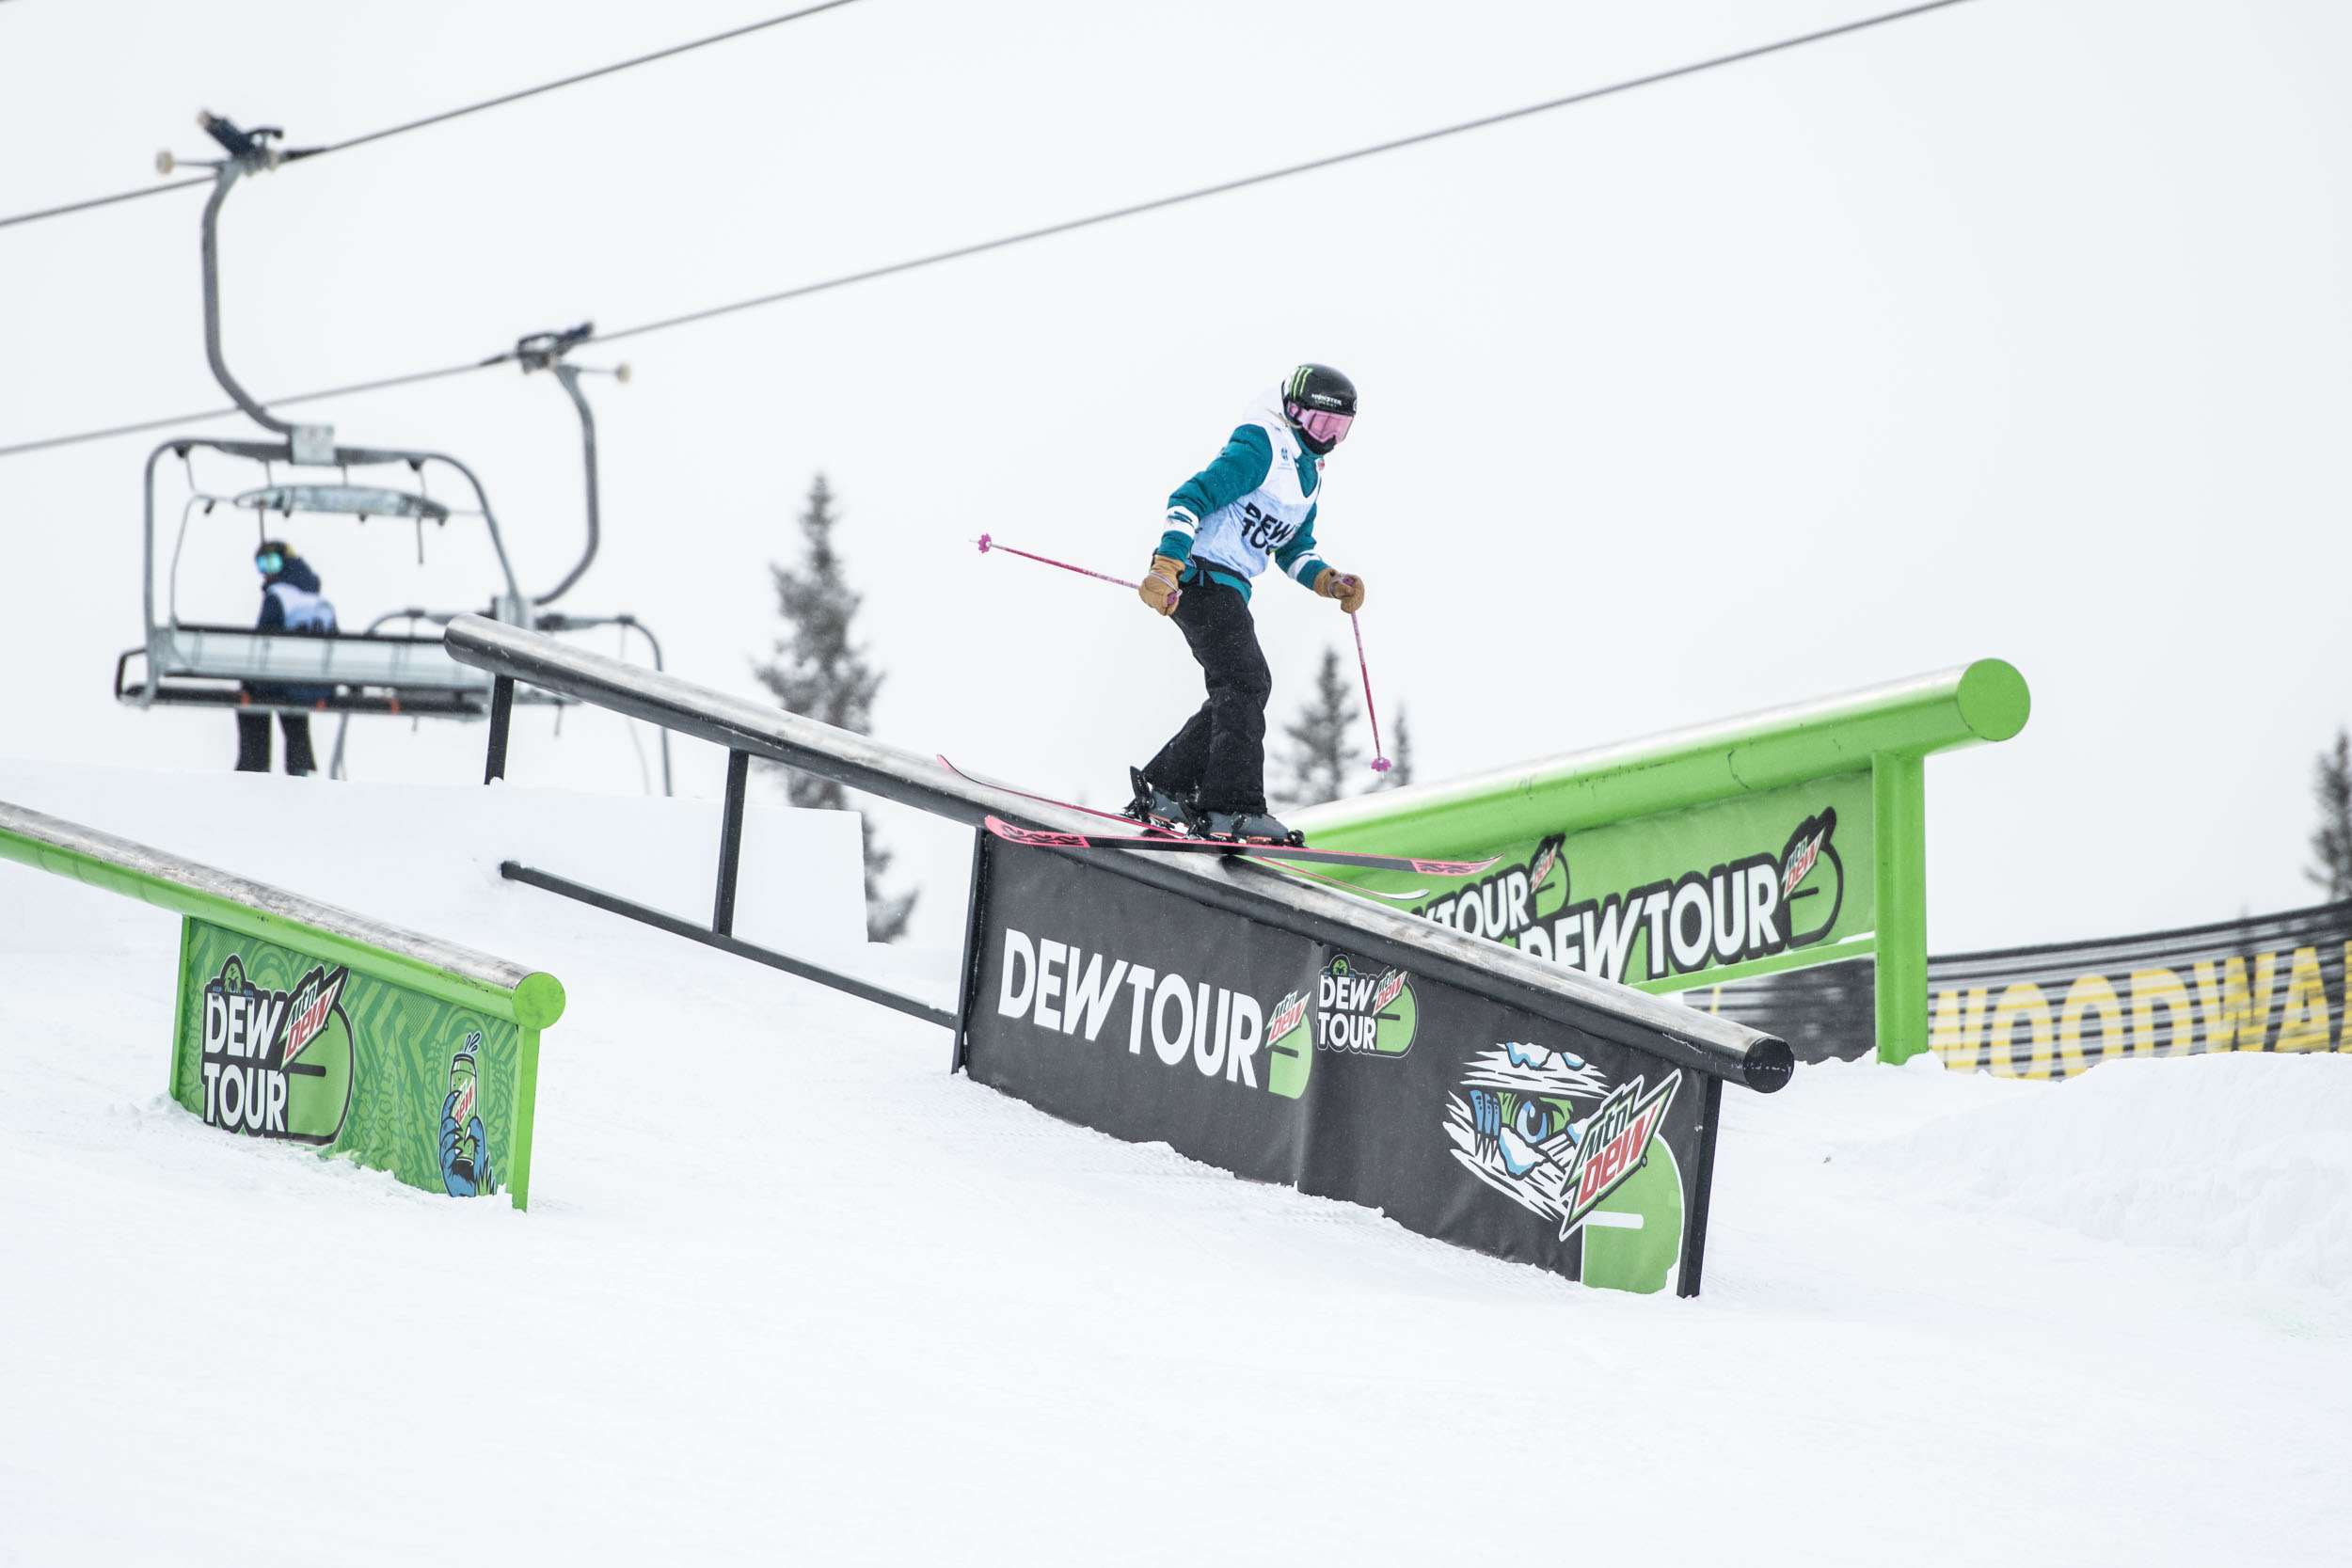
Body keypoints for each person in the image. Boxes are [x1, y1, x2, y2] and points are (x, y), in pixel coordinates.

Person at [1127, 364, 1367, 845]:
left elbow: (1293, 549)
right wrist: (1166, 564)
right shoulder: (1263, 445)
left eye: (1339, 430)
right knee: (1245, 681)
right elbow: (1190, 497)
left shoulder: (1310, 474)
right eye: (1322, 424)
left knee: (1240, 685)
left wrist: (1328, 580)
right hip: (1197, 576)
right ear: (1295, 411)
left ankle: (1167, 788)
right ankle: (1231, 807)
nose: (1328, 439)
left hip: (1230, 585)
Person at [235, 539, 335, 776]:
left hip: (285, 681)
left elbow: (264, 641)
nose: (267, 572)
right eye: (262, 565)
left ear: (286, 562)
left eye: (271, 563)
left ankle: (254, 763)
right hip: (317, 684)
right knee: (293, 695)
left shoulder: (278, 596)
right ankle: (299, 764)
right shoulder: (321, 602)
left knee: (252, 691)